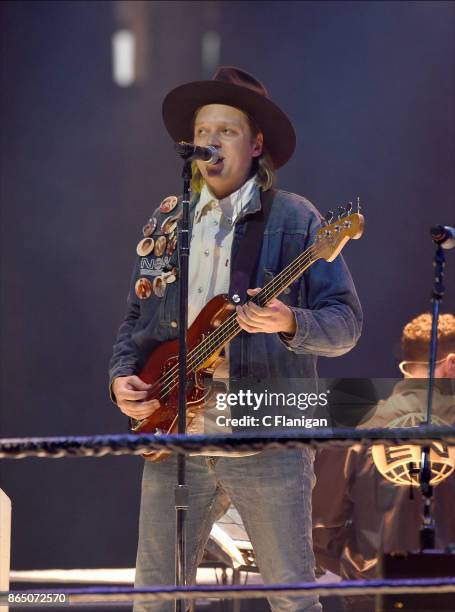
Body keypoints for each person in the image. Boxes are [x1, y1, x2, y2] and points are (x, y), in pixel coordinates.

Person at [109, 66, 363, 612]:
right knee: (156, 598)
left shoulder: (295, 219)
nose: (210, 141)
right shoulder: (168, 220)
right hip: (176, 432)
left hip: (266, 429)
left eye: (225, 130)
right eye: (203, 132)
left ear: (256, 144)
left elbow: (346, 324)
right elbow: (135, 319)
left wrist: (289, 322)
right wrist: (120, 380)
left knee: (292, 598)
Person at [312, 312, 455, 611]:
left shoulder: (357, 428)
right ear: (451, 363)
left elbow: (320, 530)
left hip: (373, 595)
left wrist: (363, 572)